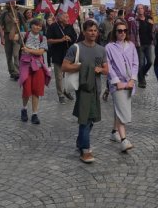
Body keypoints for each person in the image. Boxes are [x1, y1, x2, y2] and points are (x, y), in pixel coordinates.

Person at [62, 20, 108, 163]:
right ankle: (85, 150)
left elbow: (107, 69)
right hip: (82, 89)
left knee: (91, 119)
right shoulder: (76, 48)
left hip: (97, 89)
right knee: (86, 120)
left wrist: (100, 69)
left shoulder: (101, 49)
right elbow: (64, 66)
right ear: (84, 32)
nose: (93, 33)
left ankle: (80, 142)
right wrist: (82, 67)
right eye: (90, 30)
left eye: (95, 30)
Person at [106, 20, 139, 152]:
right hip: (117, 84)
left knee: (118, 108)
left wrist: (133, 79)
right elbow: (108, 66)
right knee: (122, 111)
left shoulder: (131, 45)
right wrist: (116, 81)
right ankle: (124, 140)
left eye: (125, 31)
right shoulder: (109, 47)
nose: (122, 33)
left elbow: (135, 63)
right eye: (120, 31)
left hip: (129, 83)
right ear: (115, 32)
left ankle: (114, 132)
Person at [19, 18, 51, 124]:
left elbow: (41, 52)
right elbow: (11, 37)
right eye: (35, 25)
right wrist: (16, 24)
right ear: (31, 25)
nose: (37, 27)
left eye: (40, 26)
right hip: (26, 65)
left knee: (36, 90)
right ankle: (24, 109)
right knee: (27, 90)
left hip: (38, 66)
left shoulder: (43, 38)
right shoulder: (24, 35)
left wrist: (28, 50)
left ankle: (34, 114)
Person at [47, 12, 78, 104]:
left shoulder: (69, 26)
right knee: (59, 76)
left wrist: (70, 38)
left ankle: (66, 91)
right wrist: (61, 40)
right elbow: (48, 40)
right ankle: (60, 94)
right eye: (66, 17)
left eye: (68, 16)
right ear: (60, 18)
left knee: (68, 76)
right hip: (57, 54)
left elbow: (75, 38)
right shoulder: (53, 26)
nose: (68, 18)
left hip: (68, 55)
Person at [0, 1, 25, 80]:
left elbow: (25, 25)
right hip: (7, 35)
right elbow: (0, 26)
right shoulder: (4, 14)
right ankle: (12, 72)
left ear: (14, 4)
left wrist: (27, 36)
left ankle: (17, 72)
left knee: (16, 54)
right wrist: (2, 38)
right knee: (8, 55)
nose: (8, 5)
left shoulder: (19, 14)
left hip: (17, 36)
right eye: (7, 3)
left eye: (10, 3)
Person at [128, 4, 154, 88]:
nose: (140, 10)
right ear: (136, 10)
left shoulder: (149, 19)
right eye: (138, 8)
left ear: (144, 10)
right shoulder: (135, 21)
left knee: (150, 62)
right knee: (141, 63)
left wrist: (152, 24)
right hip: (139, 45)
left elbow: (154, 30)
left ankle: (141, 74)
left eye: (141, 8)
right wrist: (133, 45)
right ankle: (142, 81)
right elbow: (132, 34)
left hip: (149, 43)